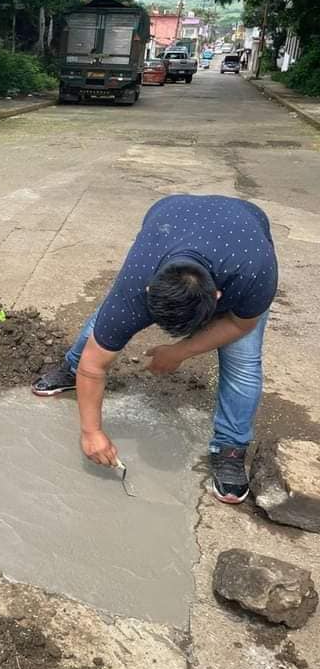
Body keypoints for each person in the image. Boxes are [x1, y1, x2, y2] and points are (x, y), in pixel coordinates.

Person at [32, 195, 278, 505]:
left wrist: (179, 352)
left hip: (244, 229)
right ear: (149, 290)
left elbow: (241, 325)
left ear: (218, 296)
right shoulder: (139, 277)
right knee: (108, 320)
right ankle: (71, 367)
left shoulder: (255, 272)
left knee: (242, 360)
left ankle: (230, 447)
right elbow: (95, 366)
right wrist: (91, 432)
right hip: (170, 217)